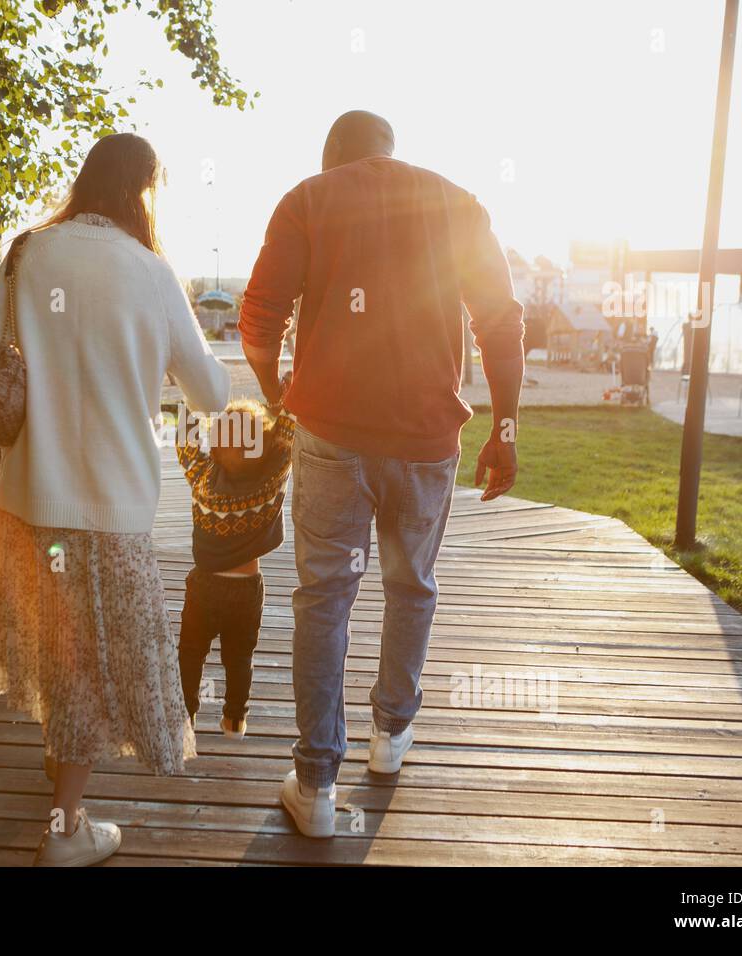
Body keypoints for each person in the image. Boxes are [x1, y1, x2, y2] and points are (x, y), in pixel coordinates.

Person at [0, 133, 230, 866]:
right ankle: (64, 827)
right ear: (143, 189)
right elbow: (209, 394)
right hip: (114, 512)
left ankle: (65, 775)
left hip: (32, 506)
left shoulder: (30, 252)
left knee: (61, 650)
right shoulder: (152, 272)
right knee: (85, 660)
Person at [238, 110, 525, 838]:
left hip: (331, 434)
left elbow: (260, 313)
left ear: (334, 156)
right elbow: (501, 320)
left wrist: (276, 392)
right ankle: (391, 737)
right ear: (389, 150)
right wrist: (506, 427)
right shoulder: (455, 202)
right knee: (411, 583)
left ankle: (316, 786)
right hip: (428, 440)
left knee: (324, 598)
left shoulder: (309, 198)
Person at [175, 389, 296, 739]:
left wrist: (190, 392)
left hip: (204, 587)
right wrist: (287, 396)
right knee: (239, 657)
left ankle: (186, 718)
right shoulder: (270, 478)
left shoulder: (204, 479)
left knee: (191, 653)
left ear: (216, 445)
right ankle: (234, 721)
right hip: (247, 588)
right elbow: (287, 433)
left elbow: (185, 439)